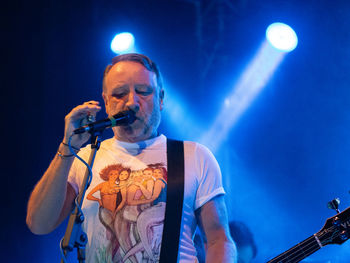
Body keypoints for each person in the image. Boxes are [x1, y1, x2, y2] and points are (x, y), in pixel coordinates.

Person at [26, 53, 236, 262]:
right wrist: (67, 147)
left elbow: (218, 240)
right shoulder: (85, 158)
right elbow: (39, 223)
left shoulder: (194, 156)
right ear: (106, 103)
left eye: (143, 92)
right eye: (119, 94)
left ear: (161, 99)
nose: (132, 102)